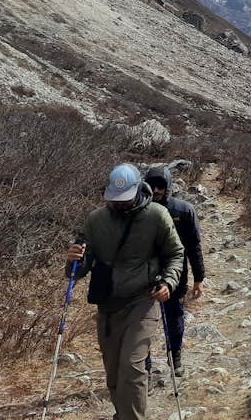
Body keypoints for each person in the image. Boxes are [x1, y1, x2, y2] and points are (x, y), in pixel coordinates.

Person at [66, 163, 184, 420]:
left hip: (143, 300)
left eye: (125, 199)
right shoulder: (96, 220)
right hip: (108, 304)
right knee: (114, 372)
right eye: (115, 200)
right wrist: (74, 259)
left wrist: (168, 283)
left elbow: (175, 254)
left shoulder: (156, 216)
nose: (119, 204)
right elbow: (78, 269)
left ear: (138, 190)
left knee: (132, 366)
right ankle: (123, 415)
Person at [143, 163, 206, 378]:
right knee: (142, 322)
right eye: (153, 185)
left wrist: (199, 278)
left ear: (169, 186)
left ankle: (175, 356)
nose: (157, 190)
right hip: (144, 274)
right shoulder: (137, 210)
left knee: (175, 317)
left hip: (176, 273)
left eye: (161, 186)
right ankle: (145, 366)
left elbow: (194, 246)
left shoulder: (184, 210)